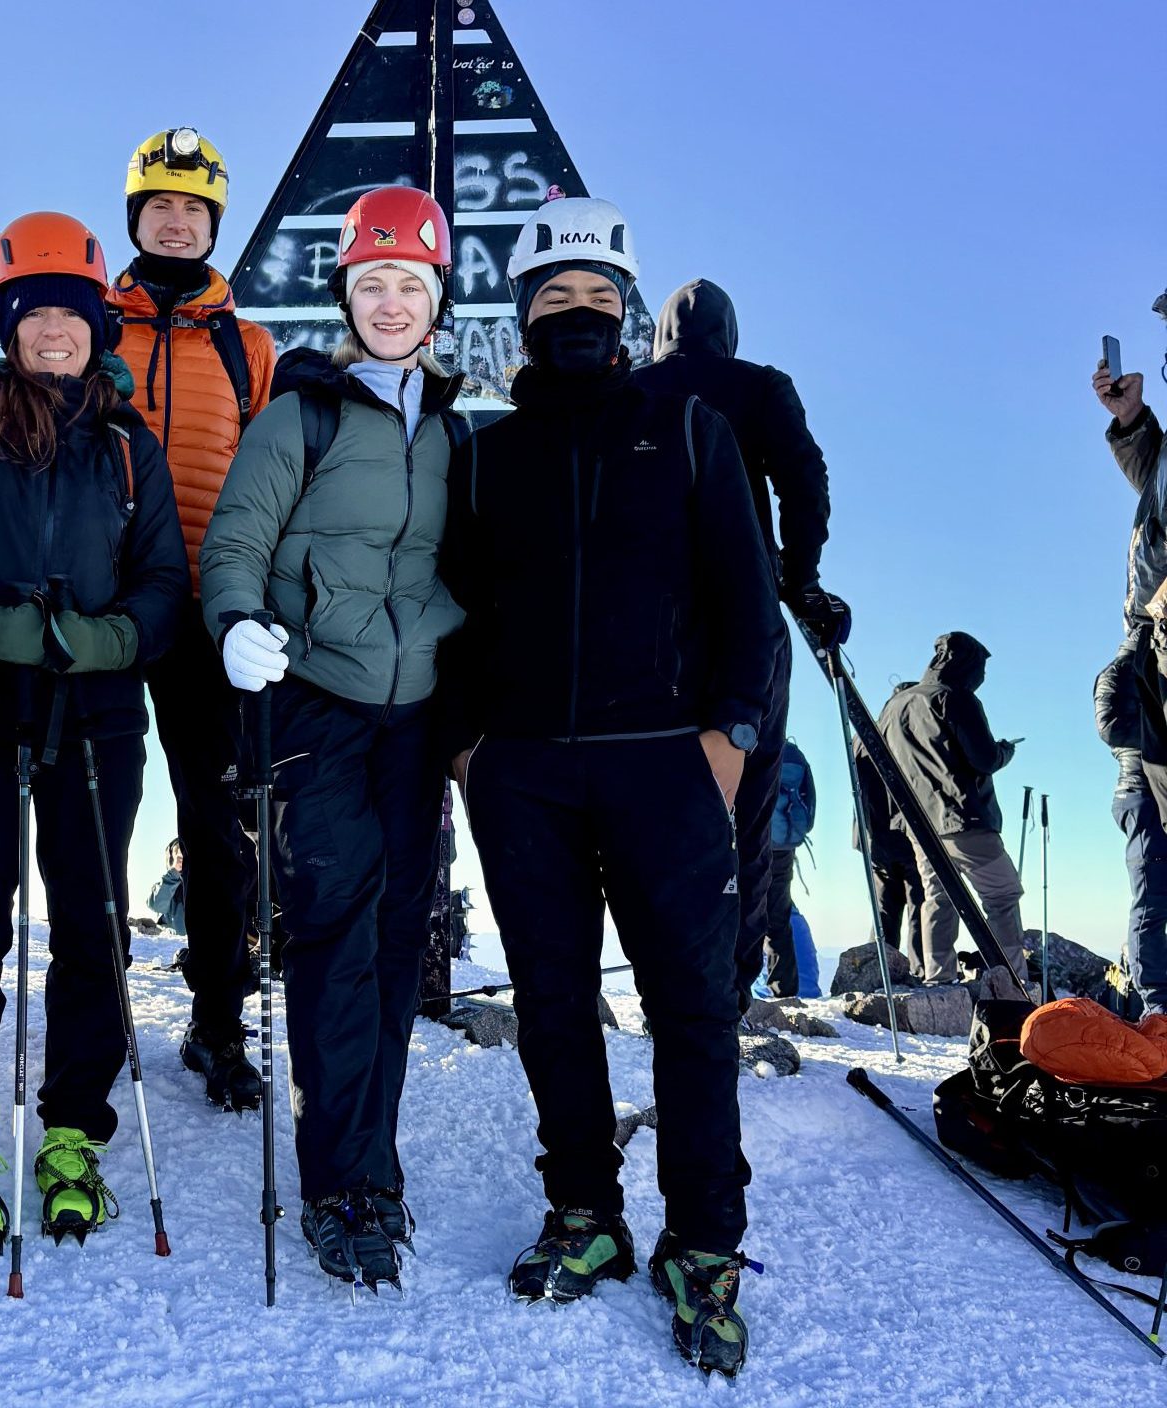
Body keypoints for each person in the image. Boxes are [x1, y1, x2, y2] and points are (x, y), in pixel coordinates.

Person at [439, 195, 776, 1375]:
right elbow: (456, 615)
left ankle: (703, 1240)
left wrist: (731, 739)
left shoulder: (688, 431)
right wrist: (469, 745)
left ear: (625, 312)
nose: (576, 316)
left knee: (691, 1008)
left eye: (596, 299)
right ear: (523, 319)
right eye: (553, 301)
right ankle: (584, 1210)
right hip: (523, 769)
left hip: (666, 765)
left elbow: (750, 601)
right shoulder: (484, 456)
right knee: (551, 1002)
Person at [0, 212, 186, 1251]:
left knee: (92, 922)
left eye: (72, 313)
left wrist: (115, 641)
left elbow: (165, 584)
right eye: (34, 312)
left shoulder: (130, 450)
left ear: (99, 326)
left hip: (94, 714)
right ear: (6, 324)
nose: (55, 330)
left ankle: (70, 1131)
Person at [199, 186, 465, 1293]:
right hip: (317, 697)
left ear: (437, 299)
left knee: (401, 942)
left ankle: (376, 1161)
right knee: (336, 932)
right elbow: (235, 540)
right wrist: (233, 627)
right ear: (346, 295)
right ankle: (337, 1183)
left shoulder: (453, 430)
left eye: (412, 283)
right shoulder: (298, 414)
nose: (393, 301)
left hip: (419, 716)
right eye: (374, 283)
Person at [108, 126, 277, 1113]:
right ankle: (95, 1005)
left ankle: (219, 1024)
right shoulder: (91, 318)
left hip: (211, 605)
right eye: (159, 206)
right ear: (135, 218)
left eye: (194, 209)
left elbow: (268, 470)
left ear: (214, 222)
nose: (176, 221)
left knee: (218, 824)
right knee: (96, 806)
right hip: (111, 597)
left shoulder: (243, 342)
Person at [632, 279, 842, 1018]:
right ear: (731, 334)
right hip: (743, 618)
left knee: (650, 798)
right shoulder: (760, 387)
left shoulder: (631, 389)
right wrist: (799, 574)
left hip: (646, 626)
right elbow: (806, 482)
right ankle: (733, 976)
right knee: (749, 801)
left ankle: (660, 966)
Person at [878, 632, 1027, 983]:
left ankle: (938, 978)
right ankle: (1011, 981)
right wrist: (1005, 750)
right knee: (1003, 895)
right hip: (964, 819)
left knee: (937, 899)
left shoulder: (896, 705)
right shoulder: (955, 699)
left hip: (918, 821)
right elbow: (984, 758)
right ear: (968, 665)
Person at [1094, 343, 1167, 1013]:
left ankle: (1155, 1009)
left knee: (1153, 869)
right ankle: (1155, 1011)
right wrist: (1133, 419)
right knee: (1150, 866)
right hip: (1147, 694)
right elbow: (1157, 478)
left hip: (1149, 688)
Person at [1096, 637, 1167, 1015]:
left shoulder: (1152, 665)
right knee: (1152, 900)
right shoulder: (1121, 669)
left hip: (1156, 792)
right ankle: (1157, 1006)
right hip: (1141, 792)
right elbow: (1111, 727)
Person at [852, 684, 925, 970]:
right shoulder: (909, 734)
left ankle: (880, 970)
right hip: (909, 835)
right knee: (921, 904)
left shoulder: (862, 737)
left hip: (874, 838)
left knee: (884, 909)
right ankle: (923, 969)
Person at [758, 738, 815, 998]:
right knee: (779, 919)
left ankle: (733, 991)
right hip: (783, 846)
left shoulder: (746, 742)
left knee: (739, 914)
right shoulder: (792, 752)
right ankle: (784, 991)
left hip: (751, 841)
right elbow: (810, 802)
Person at [147, 839, 187, 934]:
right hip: (173, 944)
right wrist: (174, 873)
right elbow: (157, 905)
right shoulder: (164, 886)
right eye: (178, 857)